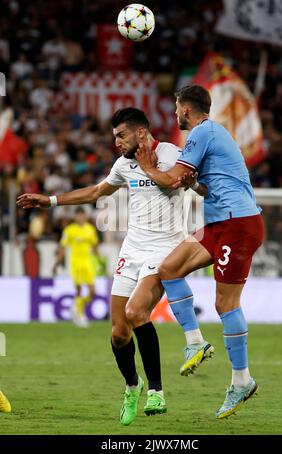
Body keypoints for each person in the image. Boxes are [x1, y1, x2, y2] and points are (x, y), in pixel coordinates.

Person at [17, 107, 210, 426]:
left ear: (140, 133)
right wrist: (49, 201)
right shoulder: (123, 165)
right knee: (119, 332)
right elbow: (96, 192)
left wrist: (191, 183)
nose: (116, 142)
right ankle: (133, 386)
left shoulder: (172, 153)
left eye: (121, 135)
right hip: (132, 249)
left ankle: (157, 392)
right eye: (114, 136)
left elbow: (194, 184)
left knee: (137, 314)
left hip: (164, 249)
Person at [135, 85, 264, 419]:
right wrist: (193, 184)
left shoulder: (201, 132)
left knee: (225, 303)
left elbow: (171, 179)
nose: (176, 114)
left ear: (186, 110)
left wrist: (147, 166)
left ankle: (241, 380)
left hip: (238, 223)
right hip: (220, 222)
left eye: (177, 108)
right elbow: (199, 186)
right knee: (170, 268)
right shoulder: (211, 134)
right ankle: (195, 342)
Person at [53, 206, 99, 328]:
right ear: (75, 217)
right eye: (78, 215)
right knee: (78, 289)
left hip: (87, 262)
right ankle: (79, 314)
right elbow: (62, 247)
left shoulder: (90, 229)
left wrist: (99, 261)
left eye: (82, 215)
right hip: (75, 263)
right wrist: (58, 262)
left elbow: (95, 246)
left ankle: (76, 307)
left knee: (93, 292)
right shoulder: (69, 230)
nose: (80, 217)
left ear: (85, 216)